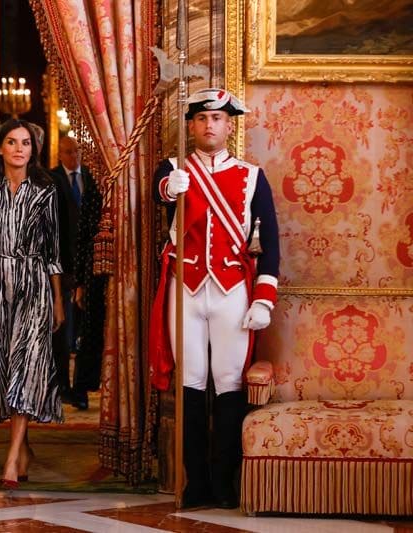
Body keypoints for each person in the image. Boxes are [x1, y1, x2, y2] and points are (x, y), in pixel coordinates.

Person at [149, 88, 280, 509]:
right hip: (184, 290)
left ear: (229, 126)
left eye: (218, 118)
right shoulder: (173, 169)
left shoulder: (252, 176)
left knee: (228, 385)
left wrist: (264, 298)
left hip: (232, 293)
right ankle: (195, 482)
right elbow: (159, 193)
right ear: (191, 125)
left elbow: (271, 241)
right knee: (190, 386)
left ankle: (225, 483)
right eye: (202, 118)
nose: (209, 125)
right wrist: (172, 186)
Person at [0, 118, 64, 488]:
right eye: (12, 141)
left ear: (32, 150)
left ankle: (9, 461)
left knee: (26, 366)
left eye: (26, 142)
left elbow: (53, 250)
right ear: (0, 148)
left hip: (34, 283)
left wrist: (57, 299)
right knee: (3, 368)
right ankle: (23, 447)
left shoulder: (45, 191)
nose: (19, 148)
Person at [49, 135, 102, 410]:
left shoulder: (92, 178)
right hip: (61, 265)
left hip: (89, 265)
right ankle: (61, 385)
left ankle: (80, 386)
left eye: (78, 151)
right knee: (62, 331)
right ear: (60, 154)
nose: (75, 157)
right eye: (69, 152)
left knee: (83, 330)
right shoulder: (51, 179)